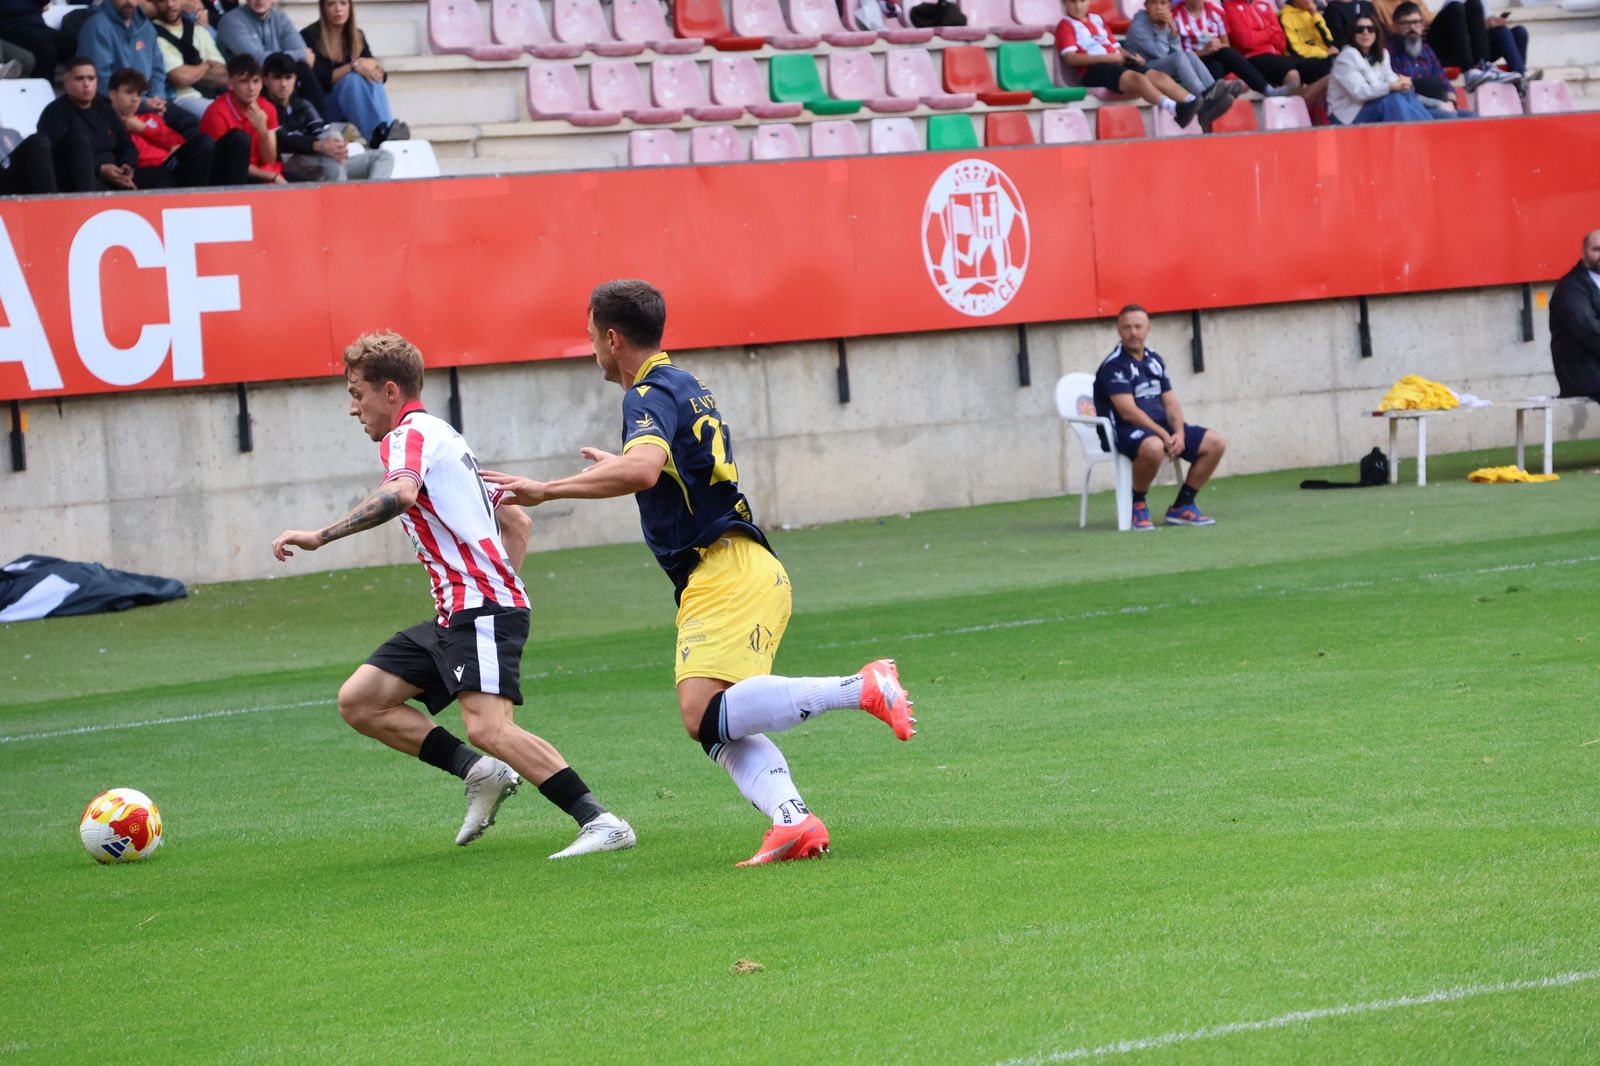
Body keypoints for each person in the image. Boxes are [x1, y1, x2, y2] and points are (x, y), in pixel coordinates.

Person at [482, 280, 917, 868]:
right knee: (717, 724)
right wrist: (636, 467)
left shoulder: (644, 395)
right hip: (744, 569)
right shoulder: (686, 385)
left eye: (590, 337)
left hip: (724, 570)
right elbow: (666, 468)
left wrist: (546, 488)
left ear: (612, 338)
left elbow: (642, 472)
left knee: (702, 715)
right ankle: (793, 820)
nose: (590, 350)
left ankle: (861, 687)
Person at [271, 331, 637, 860]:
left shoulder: (405, 439)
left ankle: (601, 821)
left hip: (479, 607)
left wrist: (319, 536)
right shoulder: (447, 439)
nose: (352, 408)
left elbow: (399, 495)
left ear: (391, 390)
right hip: (462, 609)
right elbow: (518, 521)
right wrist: (497, 584)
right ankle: (479, 773)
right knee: (361, 700)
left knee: (489, 726)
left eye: (357, 393)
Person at [1092, 304, 1228, 529]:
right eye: (1127, 327)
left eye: (1138, 326)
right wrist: (1164, 434)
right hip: (1122, 430)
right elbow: (1128, 412)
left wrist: (1179, 433)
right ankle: (1137, 505)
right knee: (1154, 447)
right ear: (1118, 330)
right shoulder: (1114, 365)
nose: (1133, 332)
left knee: (1215, 443)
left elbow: (1170, 401)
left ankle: (1183, 505)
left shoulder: (1154, 360)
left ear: (1148, 329)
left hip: (1159, 427)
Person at [1057, 0, 1223, 130]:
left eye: (1081, 0)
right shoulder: (1066, 24)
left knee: (1158, 76)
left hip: (1115, 62)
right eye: (1072, 1)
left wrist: (1131, 57)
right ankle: (1175, 108)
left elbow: (1116, 47)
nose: (1078, 5)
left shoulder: (1097, 19)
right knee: (1138, 78)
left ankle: (1197, 103)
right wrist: (1107, 58)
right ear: (1064, 4)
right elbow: (1070, 58)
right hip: (1094, 69)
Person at [262, 50, 391, 181]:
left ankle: (373, 200)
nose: (284, 84)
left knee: (384, 157)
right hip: (289, 161)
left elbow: (319, 131)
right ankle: (341, 199)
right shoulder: (262, 107)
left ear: (295, 79)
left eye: (288, 78)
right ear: (265, 80)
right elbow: (282, 141)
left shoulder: (302, 104)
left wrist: (335, 146)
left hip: (319, 156)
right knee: (331, 155)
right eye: (277, 78)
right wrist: (320, 146)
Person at [109, 66, 250, 186]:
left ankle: (236, 198)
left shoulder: (150, 118)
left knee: (238, 138)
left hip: (176, 164)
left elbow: (177, 141)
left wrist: (144, 129)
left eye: (138, 94)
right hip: (156, 173)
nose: (135, 99)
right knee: (204, 143)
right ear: (112, 94)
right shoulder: (108, 125)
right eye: (129, 93)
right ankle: (201, 202)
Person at [299, 0, 407, 147]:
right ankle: (378, 137)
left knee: (372, 79)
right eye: (331, 4)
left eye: (343, 3)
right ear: (323, 8)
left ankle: (386, 130)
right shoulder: (309, 36)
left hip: (353, 103)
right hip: (323, 106)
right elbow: (321, 79)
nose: (338, 9)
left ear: (350, 6)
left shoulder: (357, 35)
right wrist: (354, 66)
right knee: (352, 80)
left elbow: (378, 73)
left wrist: (374, 68)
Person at [37, 57, 136, 192]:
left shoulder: (105, 108)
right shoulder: (54, 113)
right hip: (80, 180)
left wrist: (126, 166)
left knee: (160, 175)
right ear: (66, 82)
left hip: (116, 173)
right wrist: (99, 169)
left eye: (91, 78)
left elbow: (126, 144)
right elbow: (57, 159)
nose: (86, 84)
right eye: (79, 78)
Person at [1328, 15, 1452, 123]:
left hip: (1374, 106)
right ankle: (1422, 129)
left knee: (1406, 91)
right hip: (1349, 116)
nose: (1365, 32)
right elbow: (1360, 92)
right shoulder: (1347, 56)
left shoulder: (1382, 53)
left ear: (1376, 33)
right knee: (1393, 99)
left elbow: (1389, 76)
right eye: (1359, 30)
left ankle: (1425, 124)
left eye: (1370, 29)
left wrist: (1401, 82)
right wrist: (1390, 86)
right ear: (1352, 34)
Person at [217, 0, 330, 117]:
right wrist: (300, 54)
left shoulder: (280, 17)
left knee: (302, 69)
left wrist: (300, 54)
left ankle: (322, 125)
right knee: (273, 74)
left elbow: (299, 48)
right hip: (248, 82)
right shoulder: (231, 20)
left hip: (275, 78)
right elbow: (256, 60)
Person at [1373, 0, 1528, 79]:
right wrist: (1414, 27)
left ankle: (1510, 73)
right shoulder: (1378, 4)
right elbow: (1386, 32)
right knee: (1455, 8)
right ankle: (1470, 70)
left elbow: (1430, 20)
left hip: (1446, 42)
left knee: (1513, 31)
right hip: (1418, 45)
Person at [1127, 0, 1236, 103]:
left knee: (1188, 54)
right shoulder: (1138, 25)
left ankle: (1213, 88)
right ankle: (1204, 95)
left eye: (1163, 3)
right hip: (1143, 67)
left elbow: (1178, 51)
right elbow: (1160, 54)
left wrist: (1174, 33)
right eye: (1154, 2)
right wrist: (1162, 29)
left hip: (1161, 65)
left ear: (1169, 6)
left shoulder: (1165, 20)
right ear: (1146, 6)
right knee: (1178, 57)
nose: (1159, 7)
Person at [1172, 0, 1288, 97]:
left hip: (1215, 54)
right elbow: (1178, 57)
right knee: (1216, 66)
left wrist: (1217, 45)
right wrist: (1204, 51)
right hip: (1194, 60)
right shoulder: (1175, 16)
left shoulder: (1216, 11)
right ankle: (1223, 93)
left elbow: (1225, 44)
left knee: (1226, 52)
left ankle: (1266, 88)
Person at [199, 52, 283, 182]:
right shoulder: (216, 113)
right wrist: (272, 176)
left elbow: (269, 160)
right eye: (244, 82)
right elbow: (225, 164)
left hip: (264, 173)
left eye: (256, 81)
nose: (251, 88)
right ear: (230, 84)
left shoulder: (267, 108)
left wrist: (262, 131)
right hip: (232, 177)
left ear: (262, 83)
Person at [1221, 0, 1327, 99]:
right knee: (1292, 74)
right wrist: (1270, 32)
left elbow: (1281, 42)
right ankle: (1293, 114)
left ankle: (1315, 114)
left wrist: (1260, 34)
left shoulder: (1265, 5)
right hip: (1252, 58)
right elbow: (1246, 41)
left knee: (1320, 70)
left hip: (1277, 56)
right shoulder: (1229, 6)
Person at [151, 0, 229, 121]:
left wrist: (191, 72)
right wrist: (206, 65)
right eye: (162, 0)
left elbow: (223, 76)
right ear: (154, 3)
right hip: (179, 99)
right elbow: (180, 78)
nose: (170, 4)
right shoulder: (152, 34)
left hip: (212, 96)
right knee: (221, 116)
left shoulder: (199, 31)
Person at [1549, 230, 1600, 403]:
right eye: (1597, 249)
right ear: (1583, 253)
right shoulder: (1570, 288)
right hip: (1584, 374)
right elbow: (1591, 331)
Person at [0, 0, 71, 82]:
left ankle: (78, 83)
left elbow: (43, 3)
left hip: (36, 24)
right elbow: (10, 9)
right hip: (10, 26)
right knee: (46, 50)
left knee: (69, 42)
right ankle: (42, 89)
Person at [1279, 0, 1337, 86]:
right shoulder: (1284, 16)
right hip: (1300, 60)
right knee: (1327, 70)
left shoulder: (1311, 13)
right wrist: (1324, 53)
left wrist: (1315, 15)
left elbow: (1328, 40)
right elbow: (1295, 50)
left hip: (1322, 56)